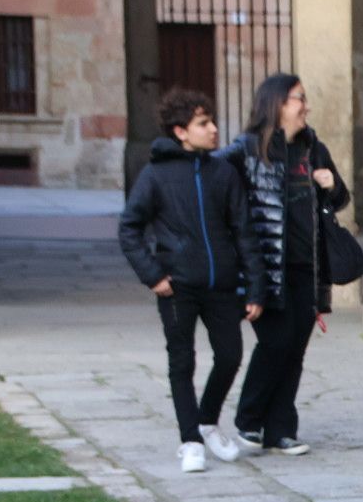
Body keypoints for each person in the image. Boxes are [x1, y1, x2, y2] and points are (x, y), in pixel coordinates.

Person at [119, 88, 263, 472]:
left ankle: (207, 420)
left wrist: (254, 286)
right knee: (181, 362)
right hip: (177, 287)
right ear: (181, 131)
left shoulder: (224, 172)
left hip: (221, 286)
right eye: (204, 123)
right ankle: (190, 440)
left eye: (212, 120)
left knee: (231, 355)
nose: (214, 129)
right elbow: (129, 229)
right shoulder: (156, 175)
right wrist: (152, 275)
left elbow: (244, 232)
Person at [217, 73, 350, 455]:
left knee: (295, 349)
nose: (305, 106)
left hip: (308, 268)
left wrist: (331, 185)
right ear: (276, 105)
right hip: (266, 269)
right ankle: (249, 420)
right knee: (276, 342)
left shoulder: (313, 149)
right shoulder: (246, 150)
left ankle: (280, 429)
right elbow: (214, 184)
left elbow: (339, 200)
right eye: (298, 99)